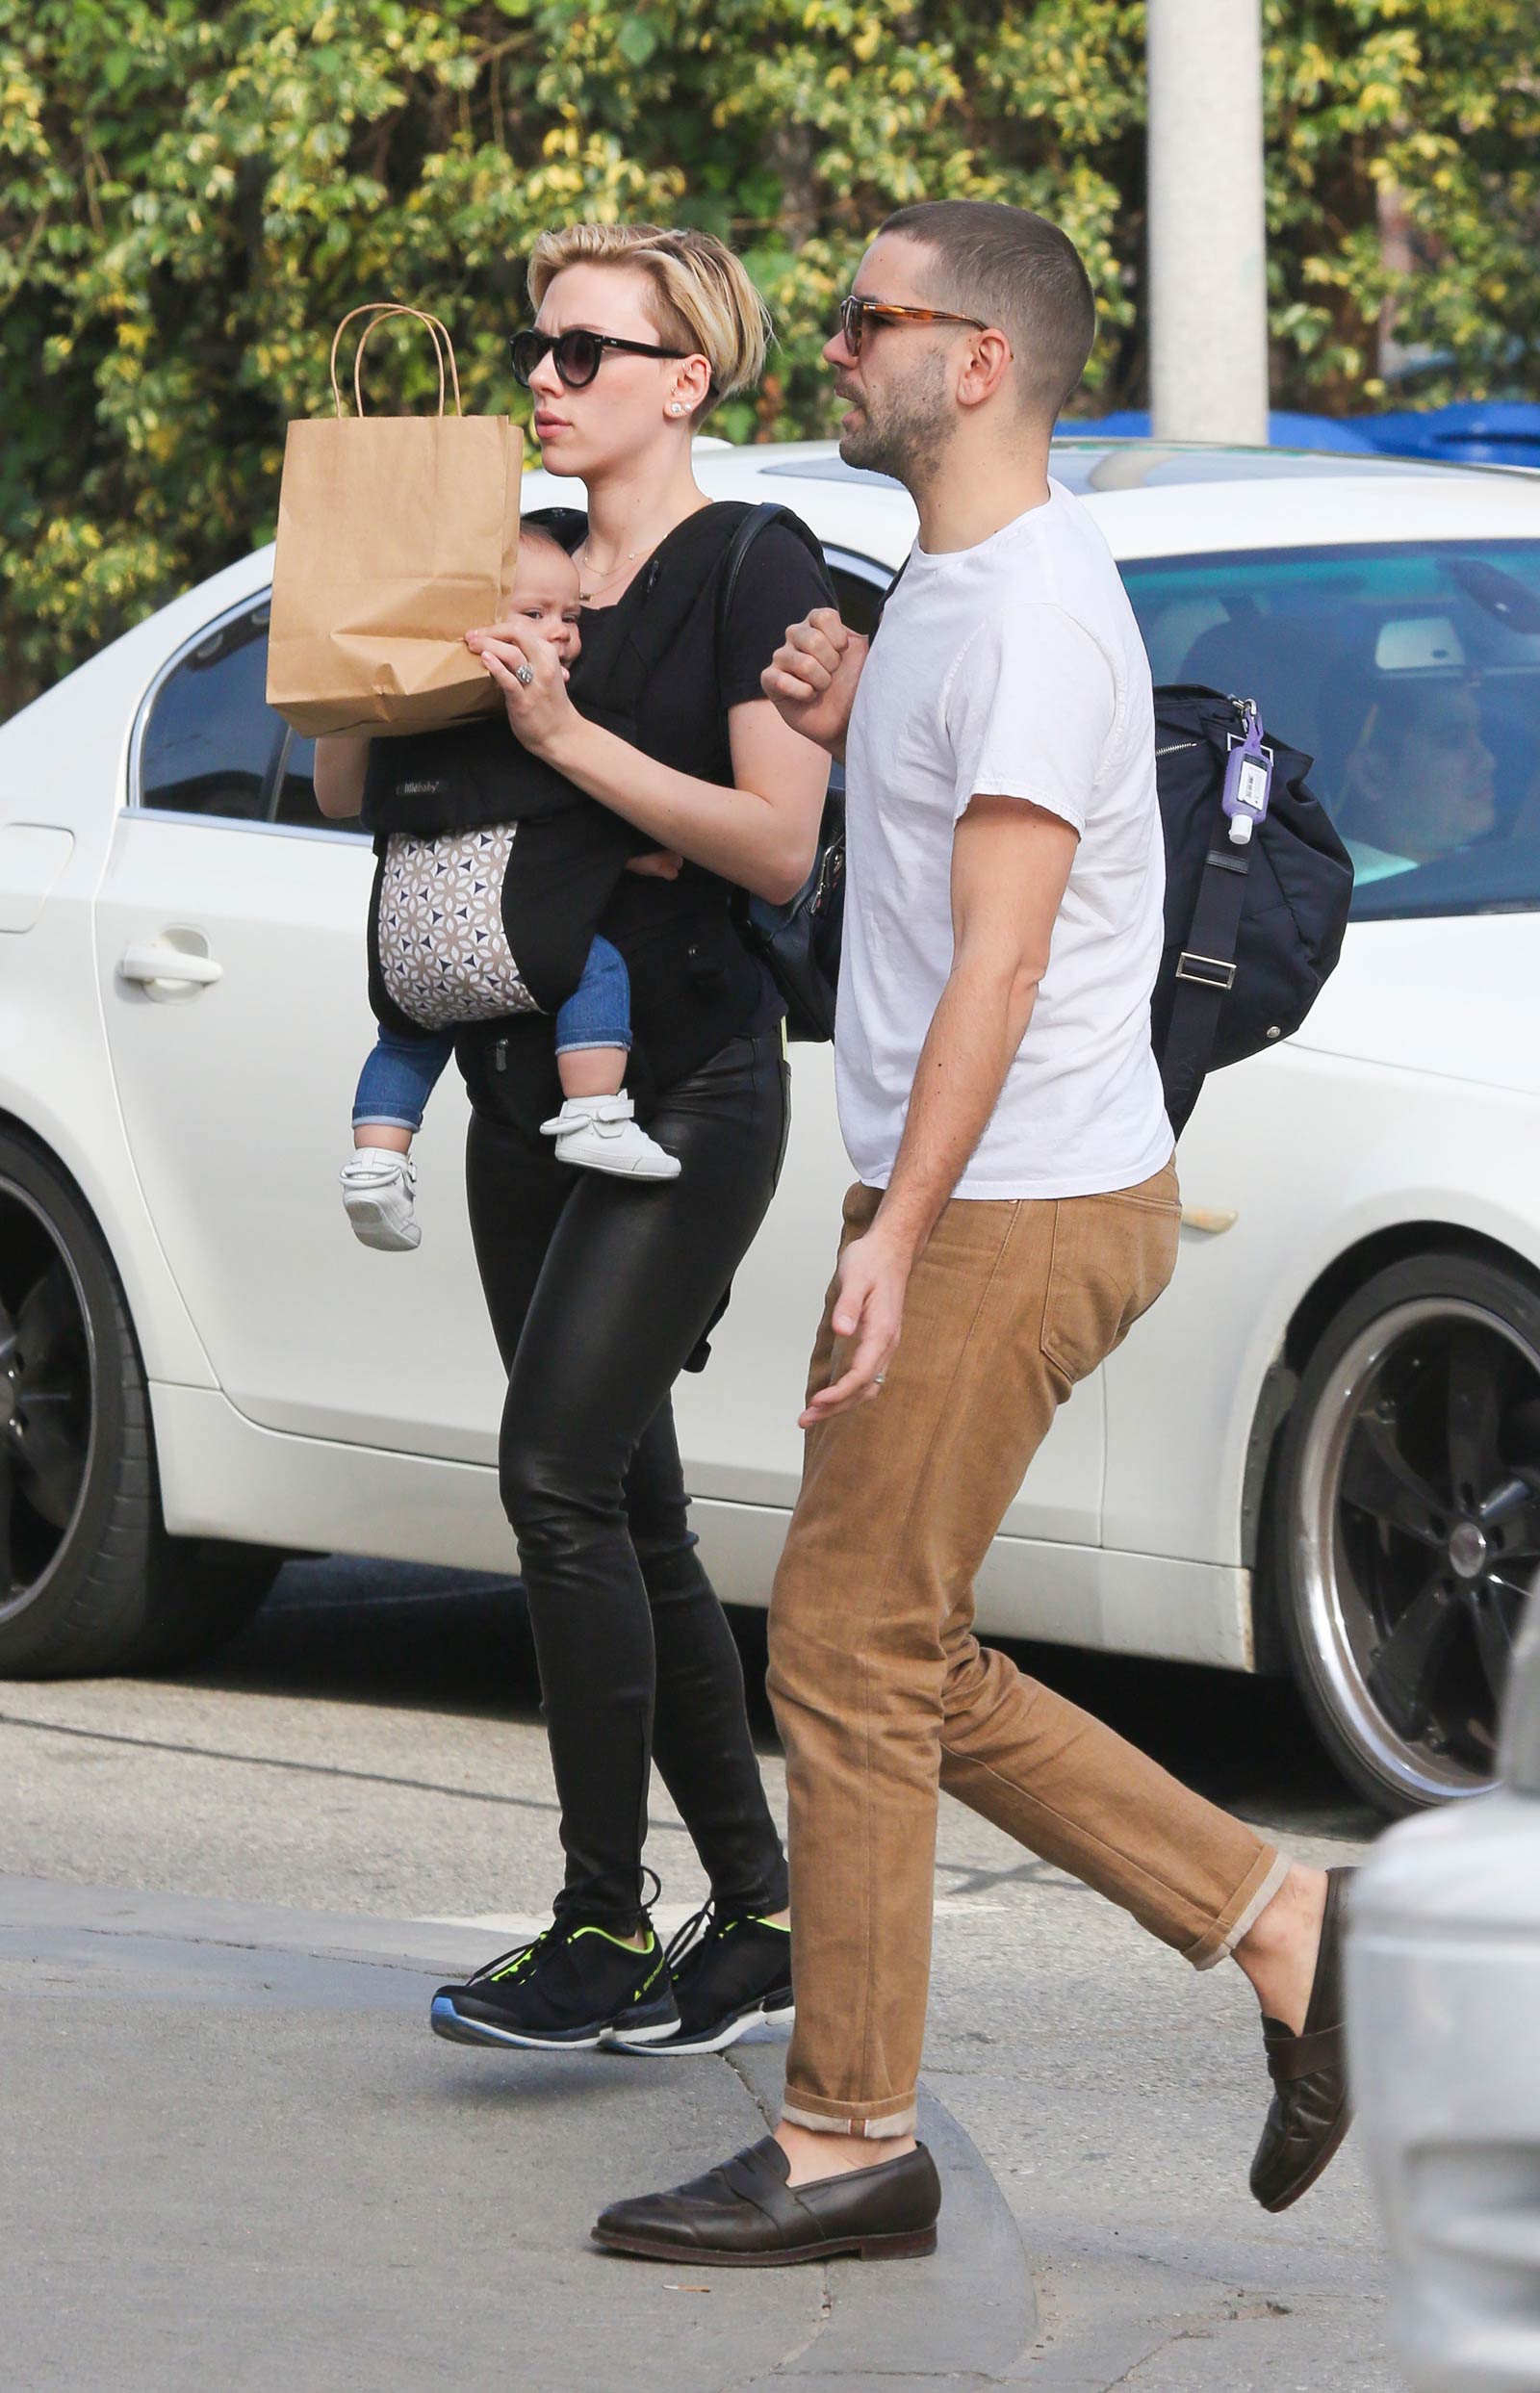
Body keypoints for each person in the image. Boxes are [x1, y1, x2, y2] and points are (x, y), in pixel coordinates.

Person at [596, 199, 1352, 2265]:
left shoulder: (1023, 614)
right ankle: (1283, 1922)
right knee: (892, 1646)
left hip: (1009, 1200)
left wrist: (891, 1225)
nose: (829, 347)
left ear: (981, 360)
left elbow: (1002, 966)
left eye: (864, 322)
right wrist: (854, 726)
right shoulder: (943, 588)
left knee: (843, 1648)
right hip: (984, 1188)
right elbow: (941, 872)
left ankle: (850, 2135)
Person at [347, 222, 833, 2055]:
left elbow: (777, 843)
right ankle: (761, 1915)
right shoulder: (506, 556)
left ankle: (602, 1923)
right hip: (505, 1094)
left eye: (582, 348)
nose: (541, 374)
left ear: (684, 379)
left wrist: (558, 728)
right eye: (532, 343)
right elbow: (356, 793)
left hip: (686, 1090)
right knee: (629, 1504)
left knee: (552, 1477)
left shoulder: (745, 562)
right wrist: (363, 661)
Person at [321, 525, 682, 1258]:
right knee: (594, 967)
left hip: (403, 953)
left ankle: (377, 1163)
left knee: (406, 1040)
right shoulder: (528, 724)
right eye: (536, 614)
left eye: (573, 617)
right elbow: (586, 824)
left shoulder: (407, 727)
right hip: (512, 942)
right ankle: (593, 1116)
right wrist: (641, 856)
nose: (562, 633)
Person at [1333, 670, 1498, 885]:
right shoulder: (1340, 906)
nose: (1488, 762)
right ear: (1371, 775)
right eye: (1453, 740)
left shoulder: (1485, 877)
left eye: (1478, 735)